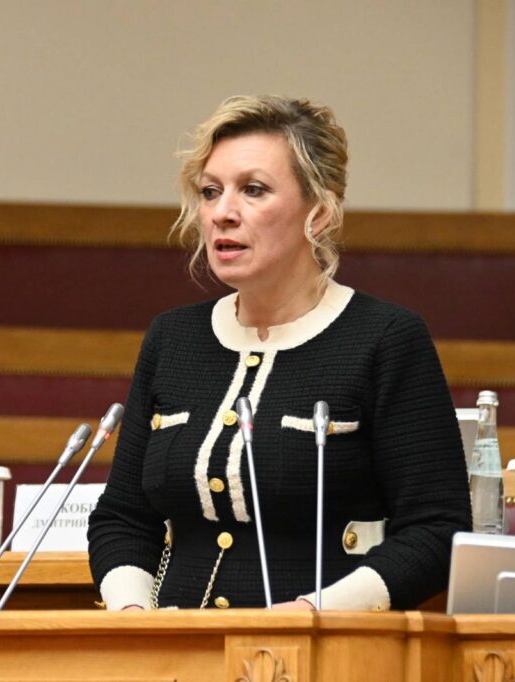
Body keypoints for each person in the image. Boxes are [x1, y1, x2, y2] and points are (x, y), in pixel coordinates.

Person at [87, 95, 471, 611]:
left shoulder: (384, 338)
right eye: (210, 192)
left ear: (319, 212)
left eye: (253, 190)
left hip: (320, 645)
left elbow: (436, 530)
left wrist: (311, 616)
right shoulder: (172, 338)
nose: (222, 213)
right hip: (175, 644)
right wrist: (134, 616)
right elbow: (124, 518)